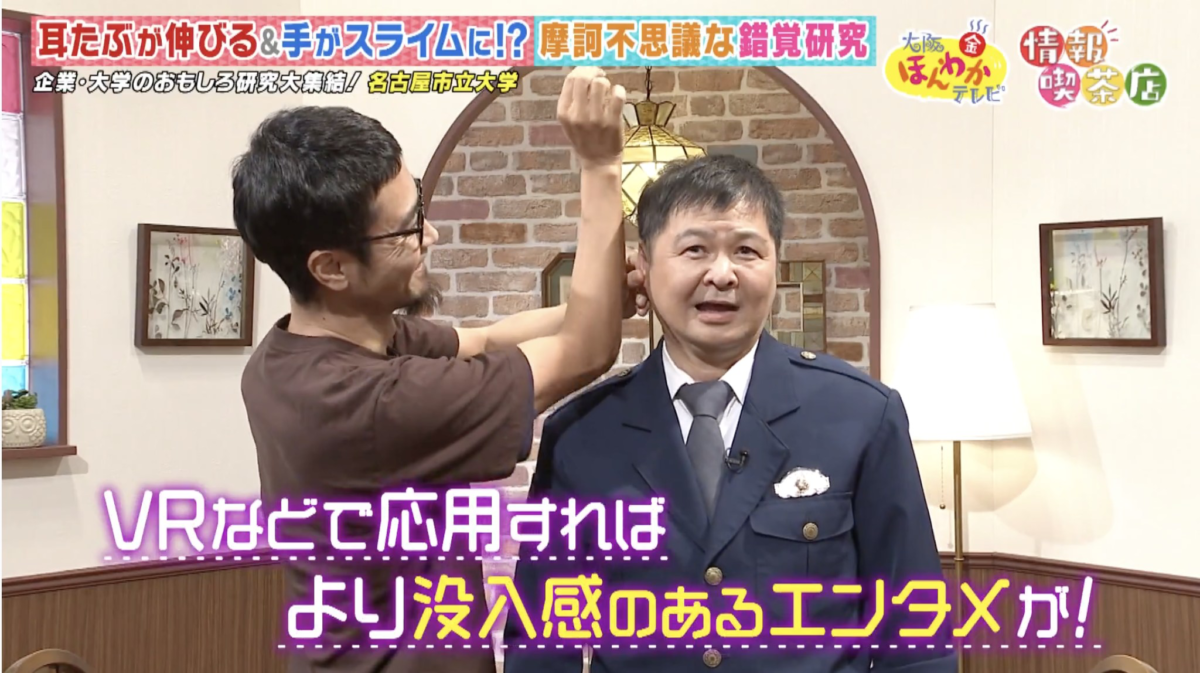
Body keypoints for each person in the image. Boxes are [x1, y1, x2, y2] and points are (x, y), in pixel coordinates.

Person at [233, 67, 634, 673]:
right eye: (407, 229)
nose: (432, 234)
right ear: (331, 268)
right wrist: (601, 166)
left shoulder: (297, 352)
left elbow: (488, 338)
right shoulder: (371, 403)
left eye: (419, 206)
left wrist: (604, 298)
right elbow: (585, 352)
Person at [503, 154, 954, 673]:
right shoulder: (582, 435)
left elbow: (917, 636)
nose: (722, 274)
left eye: (746, 251)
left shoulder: (861, 415)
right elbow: (540, 645)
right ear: (643, 266)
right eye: (695, 249)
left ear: (776, 264)